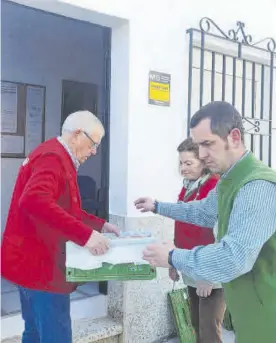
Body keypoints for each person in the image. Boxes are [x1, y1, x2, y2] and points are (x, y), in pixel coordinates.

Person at [134, 101, 276, 343]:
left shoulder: (256, 186)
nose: (201, 155)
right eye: (198, 146)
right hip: (249, 311)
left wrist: (172, 256)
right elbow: (203, 212)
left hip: (266, 317)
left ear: (233, 137)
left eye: (207, 144)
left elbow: (234, 258)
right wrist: (158, 206)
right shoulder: (229, 180)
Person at [1, 110, 120, 343]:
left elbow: (64, 209)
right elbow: (34, 200)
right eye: (93, 144)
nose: (94, 151)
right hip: (41, 268)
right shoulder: (53, 158)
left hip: (27, 265)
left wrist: (100, 224)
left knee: (34, 332)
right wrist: (86, 236)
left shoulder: (54, 154)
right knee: (55, 336)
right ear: (77, 134)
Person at [171, 137, 225, 343]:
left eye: (188, 163)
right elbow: (182, 225)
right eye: (181, 163)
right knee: (197, 325)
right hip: (192, 266)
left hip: (209, 272)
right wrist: (173, 260)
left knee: (209, 331)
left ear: (203, 162)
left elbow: (218, 233)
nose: (183, 168)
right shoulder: (189, 187)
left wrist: (207, 274)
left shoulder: (214, 187)